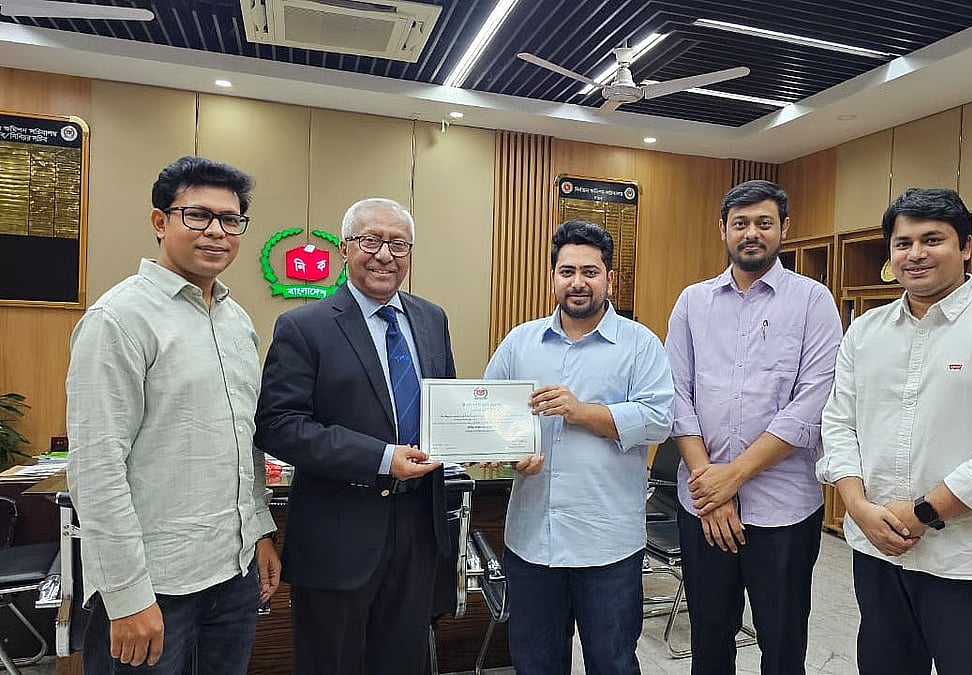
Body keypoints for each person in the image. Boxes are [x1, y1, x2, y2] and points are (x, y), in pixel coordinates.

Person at [817, 187, 972, 675]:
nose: (916, 254)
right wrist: (857, 507)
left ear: (966, 246)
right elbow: (838, 423)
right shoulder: (865, 331)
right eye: (903, 243)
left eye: (932, 240)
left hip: (969, 560)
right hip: (878, 551)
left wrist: (924, 513)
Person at [66, 155, 280, 673]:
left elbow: (244, 442)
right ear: (160, 221)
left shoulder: (235, 321)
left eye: (230, 219)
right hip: (155, 585)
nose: (217, 231)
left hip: (233, 574)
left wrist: (260, 532)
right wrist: (126, 596)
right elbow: (96, 469)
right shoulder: (119, 319)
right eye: (197, 215)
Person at [255, 198, 455, 675]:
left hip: (418, 532)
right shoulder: (304, 326)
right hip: (338, 536)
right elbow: (279, 424)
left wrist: (501, 442)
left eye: (398, 244)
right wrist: (381, 458)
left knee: (404, 662)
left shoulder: (432, 319)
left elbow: (446, 410)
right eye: (371, 241)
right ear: (345, 249)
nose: (385, 254)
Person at [664, 180, 842, 674]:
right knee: (709, 638)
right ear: (722, 229)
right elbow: (676, 395)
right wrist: (712, 487)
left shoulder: (813, 301)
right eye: (740, 223)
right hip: (703, 505)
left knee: (782, 643)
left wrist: (732, 478)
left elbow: (812, 403)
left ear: (784, 228)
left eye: (764, 223)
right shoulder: (692, 302)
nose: (751, 233)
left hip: (783, 508)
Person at [484, 220, 672, 674]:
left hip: (607, 544)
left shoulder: (640, 344)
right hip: (532, 540)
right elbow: (489, 414)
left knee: (612, 663)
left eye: (590, 271)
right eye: (567, 271)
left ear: (610, 279)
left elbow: (658, 421)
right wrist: (510, 452)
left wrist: (582, 411)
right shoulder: (520, 341)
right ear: (553, 277)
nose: (578, 282)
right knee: (534, 664)